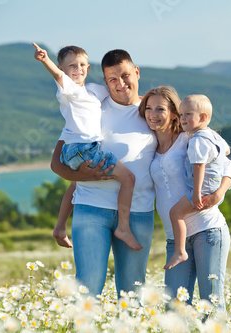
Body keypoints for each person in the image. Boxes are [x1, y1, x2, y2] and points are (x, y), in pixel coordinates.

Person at [50, 49, 157, 297]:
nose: (120, 84)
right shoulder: (90, 106)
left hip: (138, 212)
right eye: (112, 79)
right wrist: (87, 176)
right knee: (87, 287)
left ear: (136, 72)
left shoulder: (153, 112)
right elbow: (57, 163)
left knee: (133, 291)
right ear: (105, 82)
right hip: (91, 209)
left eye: (125, 75)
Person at [32, 43, 141, 251]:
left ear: (89, 68)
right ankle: (124, 228)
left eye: (82, 64)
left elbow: (117, 91)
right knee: (128, 178)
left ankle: (60, 227)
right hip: (82, 148)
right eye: (71, 66)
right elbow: (57, 76)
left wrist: (145, 100)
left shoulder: (93, 91)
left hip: (80, 148)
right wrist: (45, 60)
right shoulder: (69, 91)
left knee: (76, 185)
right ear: (62, 69)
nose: (78, 69)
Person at [138, 86, 231, 312]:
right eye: (148, 108)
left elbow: (228, 166)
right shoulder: (148, 147)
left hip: (207, 229)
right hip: (176, 237)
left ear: (173, 112)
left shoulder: (190, 139)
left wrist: (219, 192)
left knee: (210, 302)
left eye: (160, 108)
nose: (153, 114)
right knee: (175, 307)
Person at [164, 94, 231, 270]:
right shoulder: (211, 135)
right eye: (181, 114)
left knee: (175, 214)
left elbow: (199, 167)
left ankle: (180, 251)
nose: (182, 119)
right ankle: (180, 250)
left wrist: (196, 194)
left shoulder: (198, 140)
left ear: (203, 118)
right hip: (213, 184)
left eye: (187, 114)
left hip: (202, 188)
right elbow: (226, 151)